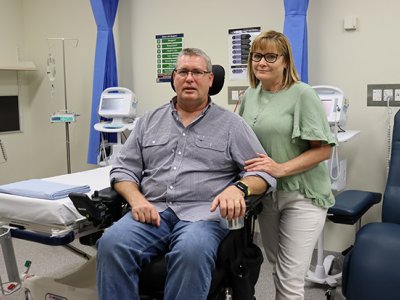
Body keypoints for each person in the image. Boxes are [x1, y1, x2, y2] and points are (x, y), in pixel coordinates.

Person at [96, 48, 276, 300]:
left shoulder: (232, 125)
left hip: (203, 216)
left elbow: (264, 174)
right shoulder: (148, 121)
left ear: (210, 79)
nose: (189, 78)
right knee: (111, 243)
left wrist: (239, 188)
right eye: (183, 72)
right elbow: (123, 169)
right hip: (152, 210)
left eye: (197, 72)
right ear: (174, 78)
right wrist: (136, 199)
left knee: (191, 251)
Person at [238, 30, 337, 300]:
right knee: (278, 269)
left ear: (285, 61)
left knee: (291, 280)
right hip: (266, 196)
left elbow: (324, 150)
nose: (262, 62)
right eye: (257, 56)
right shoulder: (250, 95)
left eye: (271, 56)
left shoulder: (302, 94)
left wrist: (280, 168)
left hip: (301, 195)